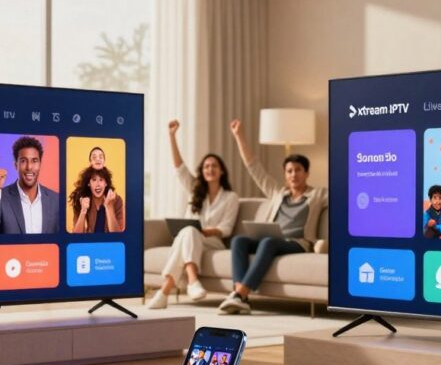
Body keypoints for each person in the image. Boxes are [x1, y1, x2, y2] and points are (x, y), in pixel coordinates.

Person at [219, 119, 328, 314]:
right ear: (285, 175)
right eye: (289, 171)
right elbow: (254, 168)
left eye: (298, 170)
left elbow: (345, 196)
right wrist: (239, 136)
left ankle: (240, 294)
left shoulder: (318, 195)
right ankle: (239, 294)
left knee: (268, 242)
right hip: (273, 240)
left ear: (307, 173)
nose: (294, 175)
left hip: (298, 243)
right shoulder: (278, 192)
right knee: (239, 240)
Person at [148, 119, 240, 310]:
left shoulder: (231, 197)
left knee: (188, 232)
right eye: (206, 166)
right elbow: (179, 168)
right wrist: (171, 136)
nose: (210, 169)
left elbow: (226, 229)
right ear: (202, 171)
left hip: (212, 241)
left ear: (221, 171)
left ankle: (166, 291)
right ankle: (188, 282)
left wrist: (204, 232)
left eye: (214, 166)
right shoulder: (194, 190)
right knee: (188, 232)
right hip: (190, 238)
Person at [0, 136, 62, 234]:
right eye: (23, 161)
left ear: (40, 164)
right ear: (15, 165)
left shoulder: (56, 200)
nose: (29, 167)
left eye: (34, 161)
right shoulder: (0, 197)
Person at [69, 166, 126, 233]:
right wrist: (83, 211)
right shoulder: (81, 200)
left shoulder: (117, 200)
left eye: (101, 180)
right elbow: (76, 237)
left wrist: (109, 207)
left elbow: (118, 236)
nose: (98, 184)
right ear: (89, 183)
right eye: (94, 180)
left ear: (106, 183)